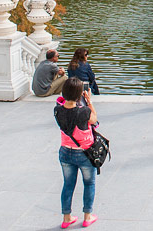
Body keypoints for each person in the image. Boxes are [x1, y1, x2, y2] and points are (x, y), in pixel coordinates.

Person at [54, 77, 99, 228]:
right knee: (89, 183)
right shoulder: (84, 111)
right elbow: (94, 120)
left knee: (68, 185)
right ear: (80, 94)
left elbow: (66, 109)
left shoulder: (57, 110)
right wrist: (89, 101)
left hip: (65, 152)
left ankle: (66, 218)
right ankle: (87, 216)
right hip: (84, 153)